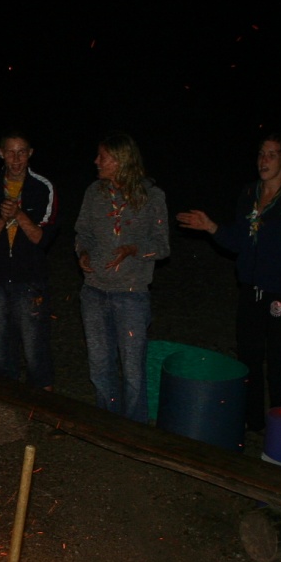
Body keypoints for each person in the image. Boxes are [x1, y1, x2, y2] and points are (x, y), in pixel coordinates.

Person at [176, 134, 281, 431]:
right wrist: (211, 227)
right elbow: (238, 242)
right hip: (251, 288)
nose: (264, 160)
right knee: (248, 357)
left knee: (279, 364)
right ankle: (253, 423)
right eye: (261, 154)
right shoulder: (249, 194)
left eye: (272, 155)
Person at [74, 133, 170, 422]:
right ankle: (108, 422)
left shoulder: (152, 197)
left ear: (119, 160)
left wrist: (133, 249)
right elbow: (83, 233)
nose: (96, 161)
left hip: (131, 294)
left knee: (132, 370)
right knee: (99, 366)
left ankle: (134, 429)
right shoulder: (94, 193)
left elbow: (163, 247)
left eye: (102, 156)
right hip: (94, 292)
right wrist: (84, 253)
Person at [0, 131, 59, 390]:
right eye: (10, 152)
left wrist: (19, 214)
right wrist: (2, 219)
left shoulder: (42, 187)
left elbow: (42, 239)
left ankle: (42, 410)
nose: (16, 158)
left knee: (35, 350)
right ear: (1, 153)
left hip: (30, 280)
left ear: (30, 153)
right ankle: (7, 409)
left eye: (22, 151)